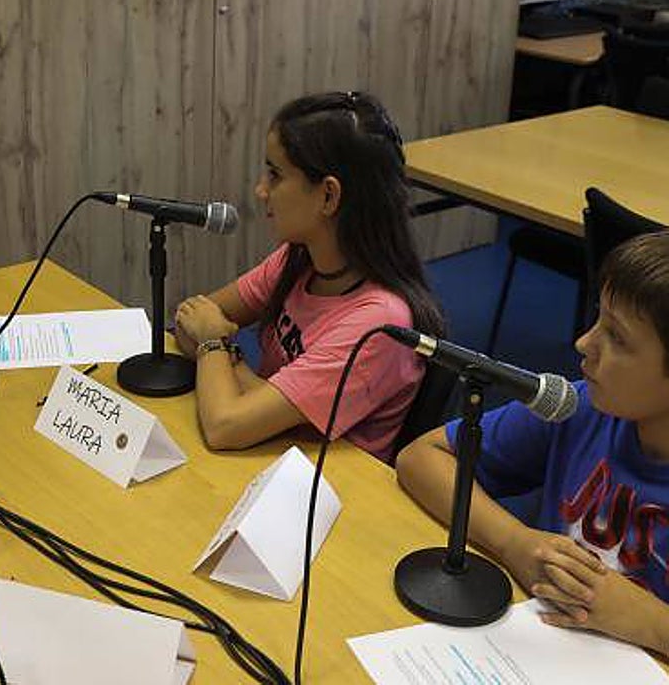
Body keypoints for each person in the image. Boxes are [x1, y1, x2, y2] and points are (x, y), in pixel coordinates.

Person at [397, 230, 669, 653]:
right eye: (598, 319)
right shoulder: (585, 408)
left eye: (616, 337)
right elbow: (420, 458)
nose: (584, 343)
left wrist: (654, 624)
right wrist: (516, 542)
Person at [174, 91, 444, 462]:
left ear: (329, 196)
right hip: (273, 457)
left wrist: (217, 349)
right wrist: (226, 360)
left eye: (275, 175)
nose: (261, 190)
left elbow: (225, 425)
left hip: (331, 491)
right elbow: (192, 320)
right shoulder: (299, 258)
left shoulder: (380, 322)